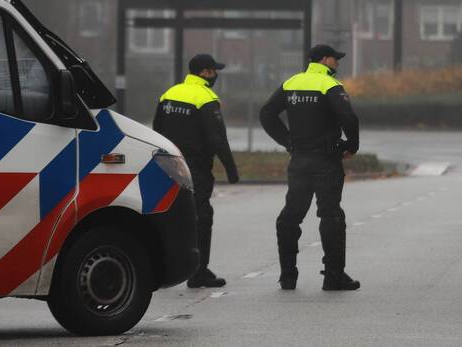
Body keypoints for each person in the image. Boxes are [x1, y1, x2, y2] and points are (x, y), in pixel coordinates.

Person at [259, 44, 361, 291]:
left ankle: (287, 276)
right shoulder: (329, 85)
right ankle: (333, 277)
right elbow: (349, 117)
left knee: (290, 216)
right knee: (331, 215)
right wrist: (352, 146)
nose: (337, 64)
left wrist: (287, 141)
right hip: (326, 161)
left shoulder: (291, 83)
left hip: (299, 161)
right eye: (335, 59)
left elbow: (266, 114)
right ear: (325, 60)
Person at [153, 53, 240, 289]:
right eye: (215, 71)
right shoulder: (206, 97)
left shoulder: (169, 94)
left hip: (168, 166)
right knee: (201, 218)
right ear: (205, 72)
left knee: (165, 216)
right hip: (195, 169)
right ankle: (199, 272)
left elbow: (156, 130)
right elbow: (217, 138)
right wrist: (231, 170)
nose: (216, 76)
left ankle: (159, 270)